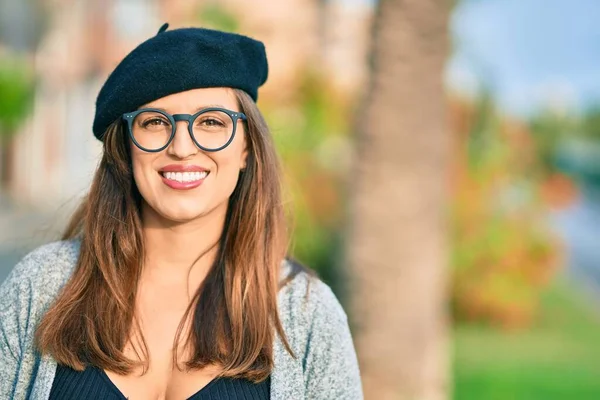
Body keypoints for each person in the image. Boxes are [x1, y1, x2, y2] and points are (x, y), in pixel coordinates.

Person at [0, 23, 362, 399]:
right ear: (126, 146)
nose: (182, 147)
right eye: (156, 122)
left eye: (210, 122)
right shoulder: (41, 287)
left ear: (246, 148)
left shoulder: (307, 314)